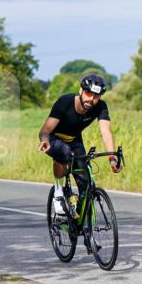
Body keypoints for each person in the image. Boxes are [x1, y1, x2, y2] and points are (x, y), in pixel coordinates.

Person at [37, 74, 121, 234]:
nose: (92, 99)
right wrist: (45, 141)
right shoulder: (65, 102)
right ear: (81, 90)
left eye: (96, 96)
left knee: (86, 184)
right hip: (53, 138)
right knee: (64, 153)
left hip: (74, 140)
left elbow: (106, 132)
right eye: (89, 93)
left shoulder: (101, 106)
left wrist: (112, 157)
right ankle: (58, 190)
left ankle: (76, 222)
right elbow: (46, 130)